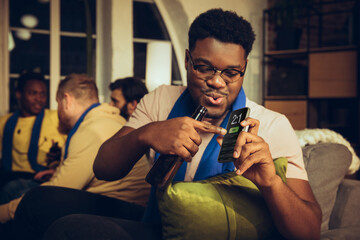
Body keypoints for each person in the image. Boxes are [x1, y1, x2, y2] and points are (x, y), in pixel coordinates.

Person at [32, 9, 322, 240]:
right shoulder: (162, 100)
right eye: (204, 67)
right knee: (43, 202)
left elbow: (309, 231)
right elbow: (104, 169)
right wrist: (146, 134)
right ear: (187, 60)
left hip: (215, 234)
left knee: (71, 230)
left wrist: (271, 183)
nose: (217, 82)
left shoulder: (273, 125)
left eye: (231, 72)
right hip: (159, 224)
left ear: (244, 69)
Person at [1, 74, 150, 238]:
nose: (57, 110)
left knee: (34, 201)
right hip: (127, 206)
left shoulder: (91, 130)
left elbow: (54, 191)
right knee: (18, 190)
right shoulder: (107, 120)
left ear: (66, 100)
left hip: (122, 210)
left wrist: (4, 212)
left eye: (58, 104)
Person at [0, 71, 66, 203]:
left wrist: (60, 156)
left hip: (43, 177)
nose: (39, 99)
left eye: (43, 94)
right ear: (18, 94)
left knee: (11, 191)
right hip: (10, 174)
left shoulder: (56, 117)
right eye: (33, 93)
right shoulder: (5, 122)